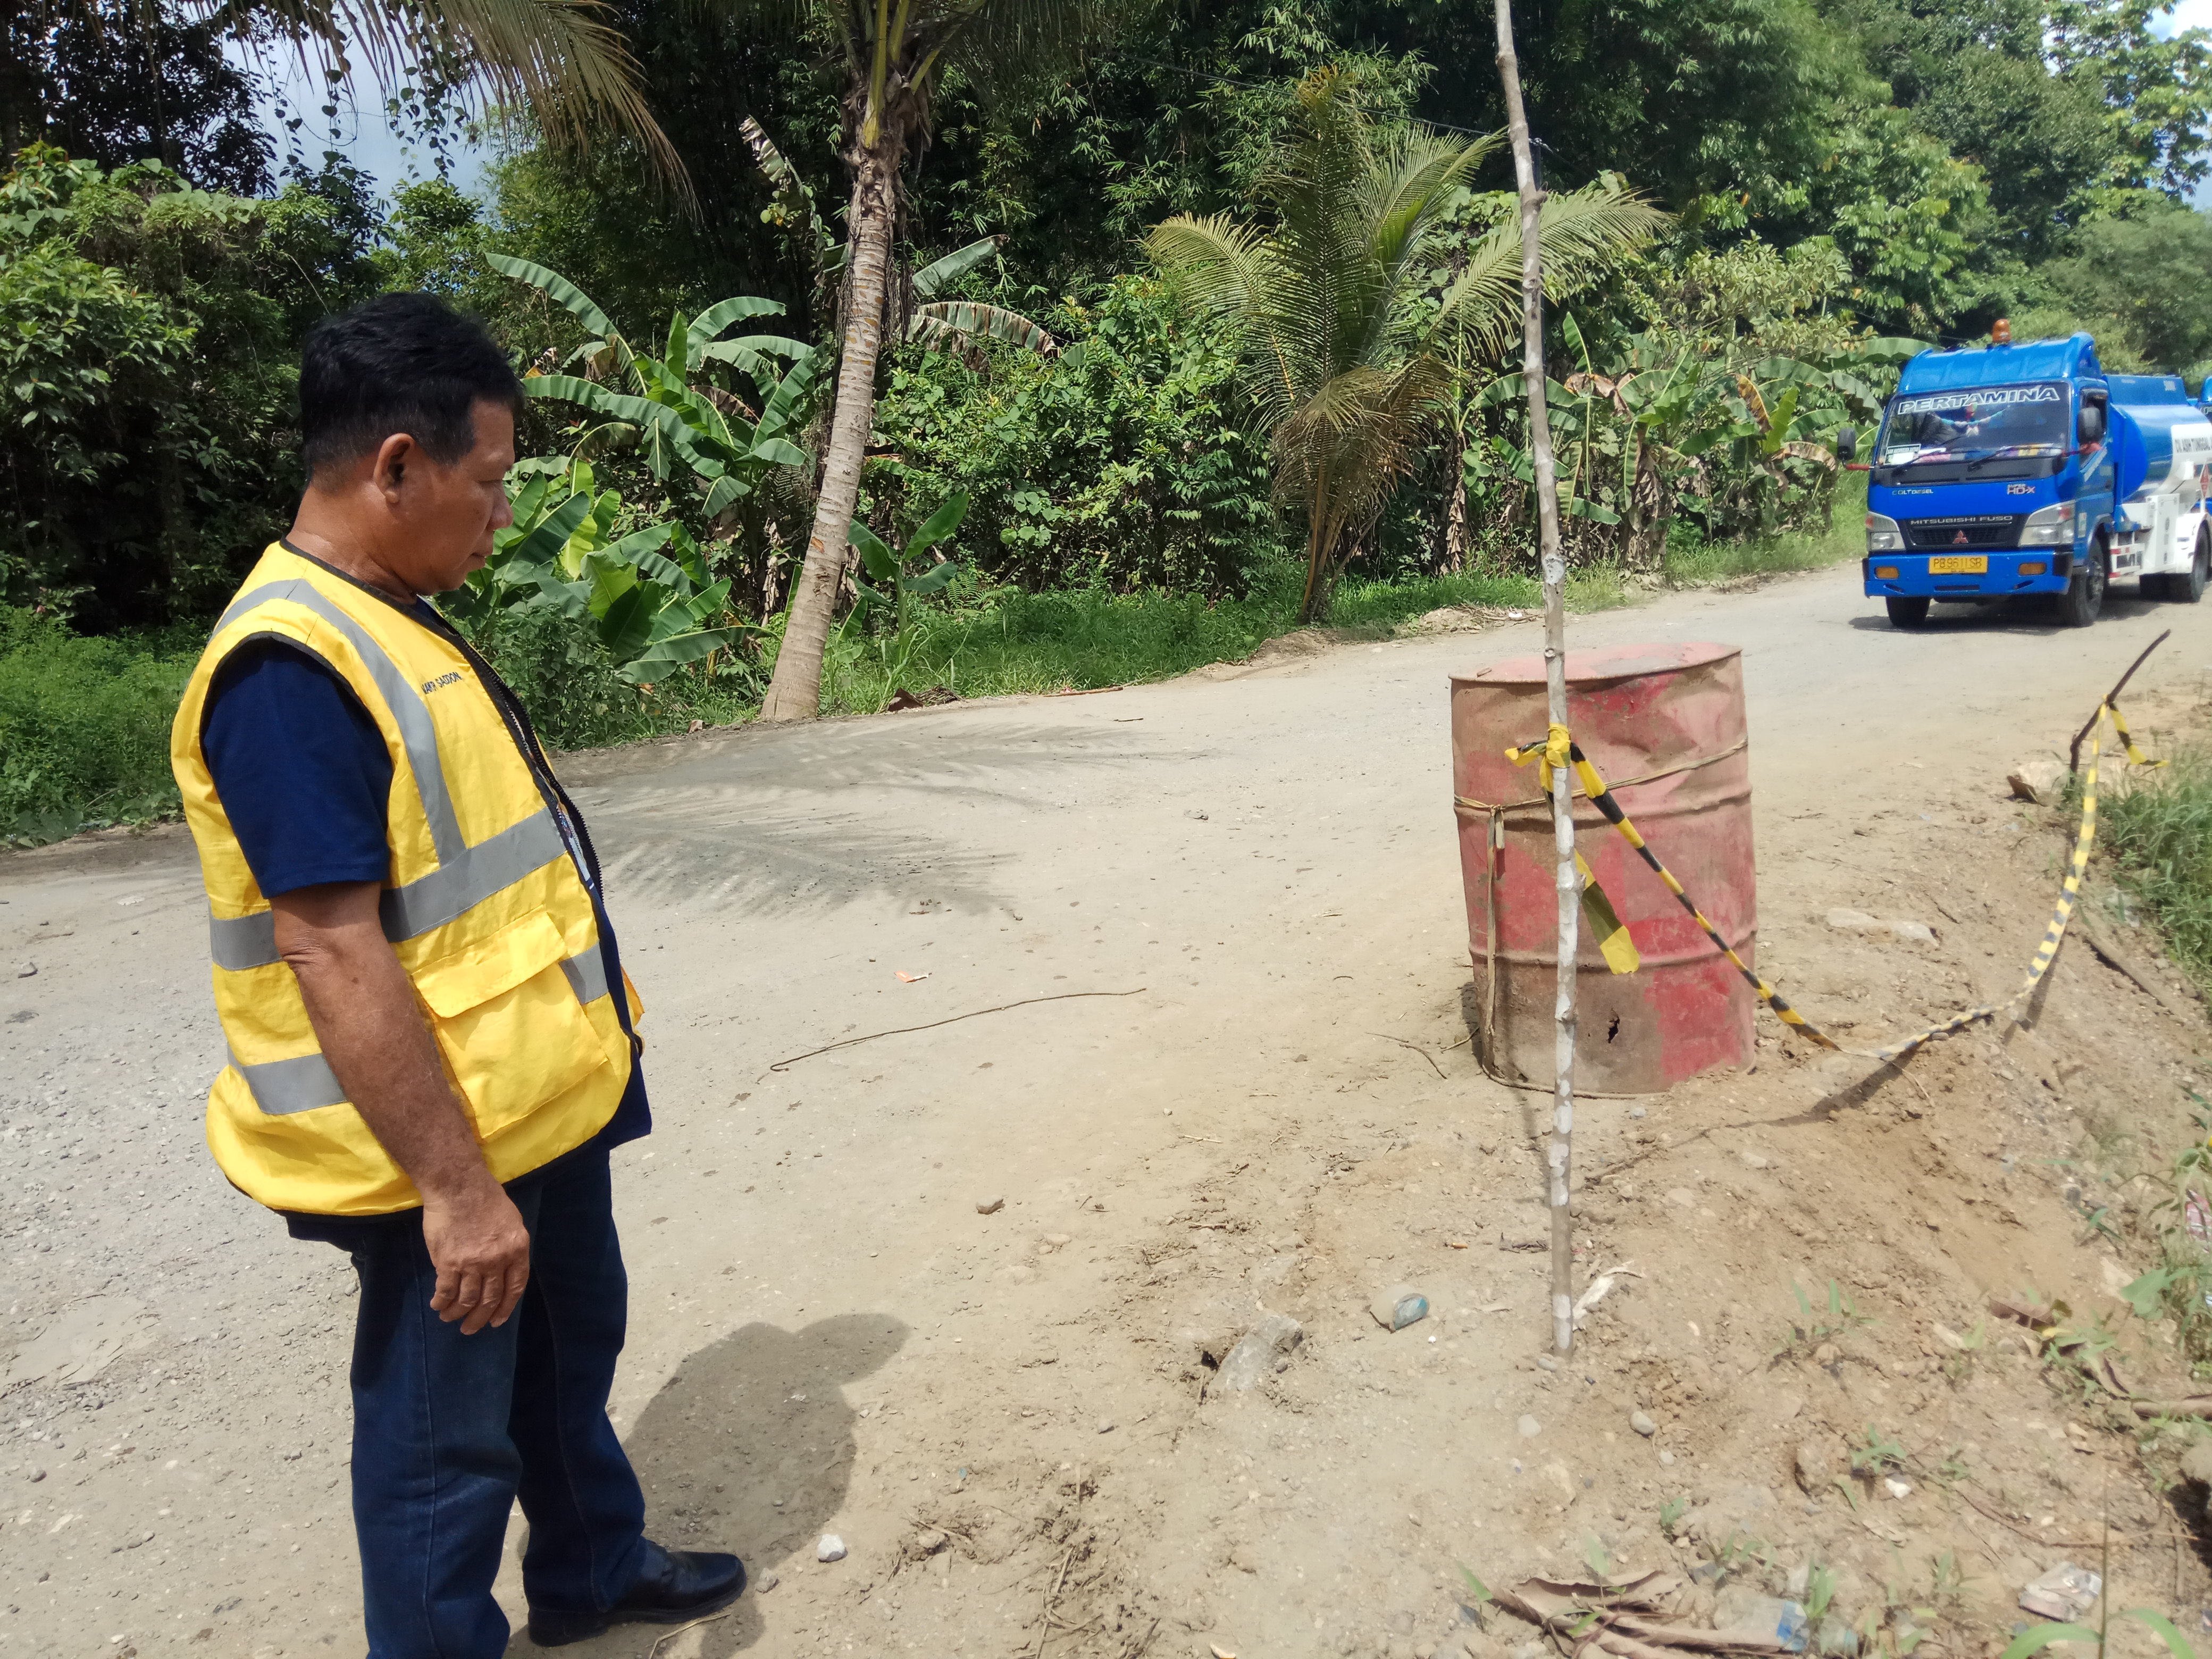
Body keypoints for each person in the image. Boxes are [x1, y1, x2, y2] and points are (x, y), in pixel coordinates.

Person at [167, 292, 744, 1657]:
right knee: (443, 1447)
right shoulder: (289, 666)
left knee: (565, 1360)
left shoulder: (392, 613)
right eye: (487, 481)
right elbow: (326, 943)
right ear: (395, 467)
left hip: (530, 1103)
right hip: (435, 1149)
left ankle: (594, 1568)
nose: (501, 513)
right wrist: (456, 1189)